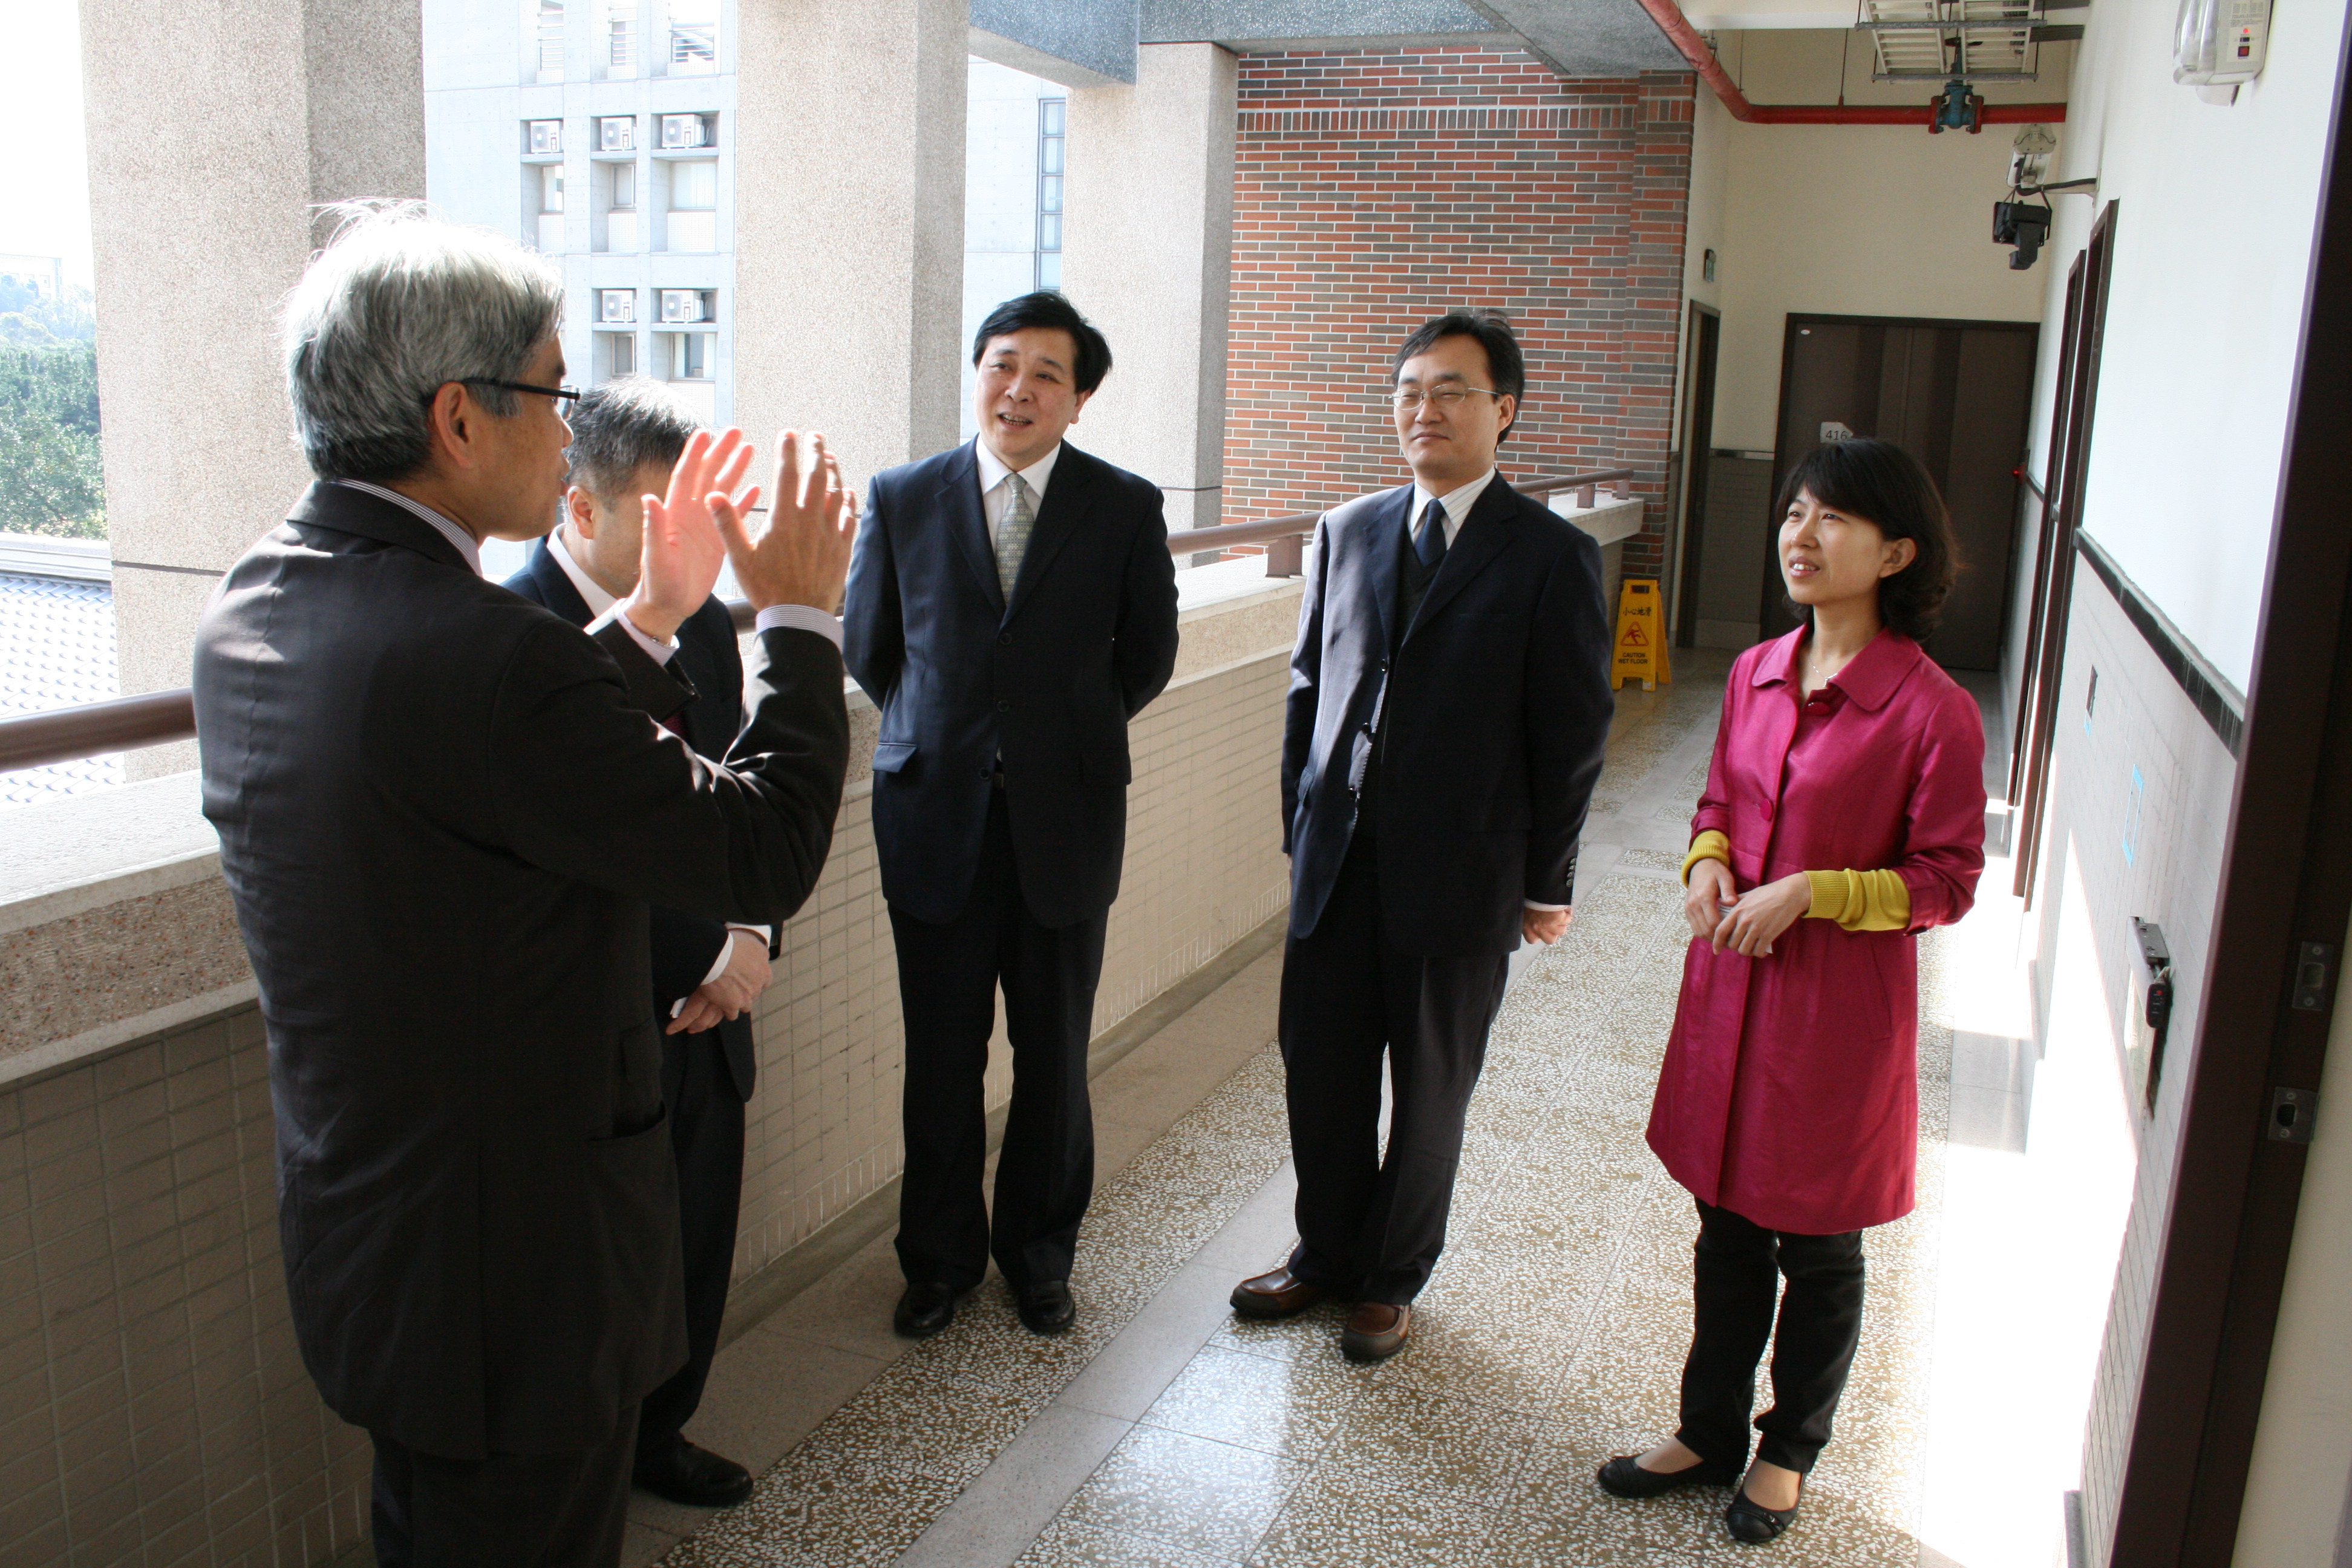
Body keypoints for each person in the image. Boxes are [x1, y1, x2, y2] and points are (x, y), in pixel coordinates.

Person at [192, 204, 856, 1567]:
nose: (569, 429)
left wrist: (641, 627)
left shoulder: (256, 601)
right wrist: (795, 616)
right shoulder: (489, 654)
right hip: (521, 1279)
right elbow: (766, 848)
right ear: (459, 417)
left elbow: (466, 775)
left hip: (381, 1237)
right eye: (552, 390)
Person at [1597, 437, 1985, 1545]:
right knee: (1725, 1224)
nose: (1800, 539)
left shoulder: (1931, 711)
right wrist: (1709, 860)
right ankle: (1707, 1428)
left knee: (1818, 1243)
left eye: (1832, 521)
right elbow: (1718, 795)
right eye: (1793, 514)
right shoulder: (1759, 670)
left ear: (1897, 552)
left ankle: (1789, 1448)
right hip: (1733, 992)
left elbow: (1946, 882)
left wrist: (1815, 891)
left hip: (1837, 1014)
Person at [1229, 310, 1613, 1362]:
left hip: (1465, 872)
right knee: (1323, 1072)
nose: (1424, 409)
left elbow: (1573, 731)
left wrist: (1547, 880)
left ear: (1505, 413)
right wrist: (1300, 829)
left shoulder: (1550, 555)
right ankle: (1324, 1255)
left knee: (1431, 1086)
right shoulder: (1347, 531)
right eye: (1408, 390)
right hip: (1338, 865)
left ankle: (1392, 1278)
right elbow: (1310, 691)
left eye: (1450, 390)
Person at [842, 292, 1180, 1339]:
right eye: (1001, 364)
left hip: (1066, 825)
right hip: (933, 820)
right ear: (977, 375)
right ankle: (937, 1263)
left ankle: (1039, 1258)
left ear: (1080, 399)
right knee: (941, 1059)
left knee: (1052, 1056)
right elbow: (871, 646)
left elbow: (1147, 655)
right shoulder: (903, 495)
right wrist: (954, 734)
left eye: (1046, 373)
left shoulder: (1122, 506)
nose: (1018, 388)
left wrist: (1051, 740)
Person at [503, 378, 773, 1510]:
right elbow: (568, 855)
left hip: (714, 1005)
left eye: (708, 515)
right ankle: (590, 1466)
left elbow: (733, 792)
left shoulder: (705, 613)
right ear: (581, 511)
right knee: (591, 1278)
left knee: (695, 1239)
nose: (694, 541)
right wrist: (700, 959)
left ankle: (666, 1432)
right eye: (670, 515)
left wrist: (749, 936)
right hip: (597, 1022)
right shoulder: (512, 636)